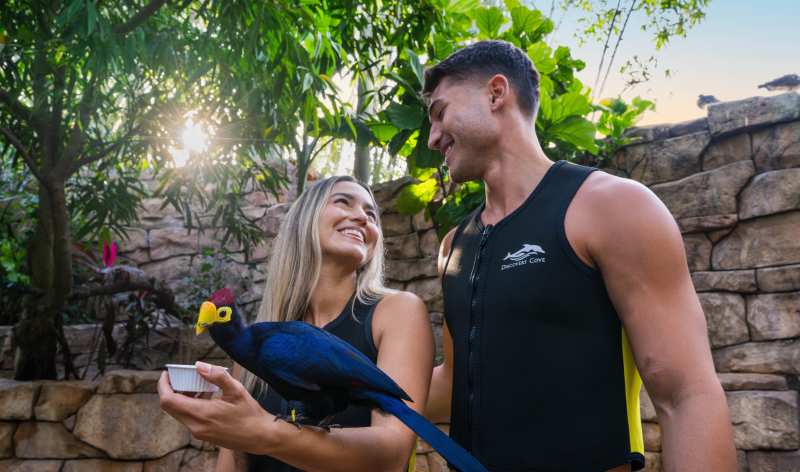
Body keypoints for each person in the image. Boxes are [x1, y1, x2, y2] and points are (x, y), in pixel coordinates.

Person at [421, 40, 737, 472]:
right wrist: (336, 382)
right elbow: (452, 383)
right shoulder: (453, 247)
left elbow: (687, 395)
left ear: (496, 94)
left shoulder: (614, 207)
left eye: (440, 113)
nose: (432, 137)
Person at [158, 175, 435, 472]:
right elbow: (233, 462)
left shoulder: (396, 312)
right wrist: (214, 420)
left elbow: (392, 457)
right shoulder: (253, 347)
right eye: (343, 201)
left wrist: (266, 433)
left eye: (371, 214)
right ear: (303, 221)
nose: (362, 217)